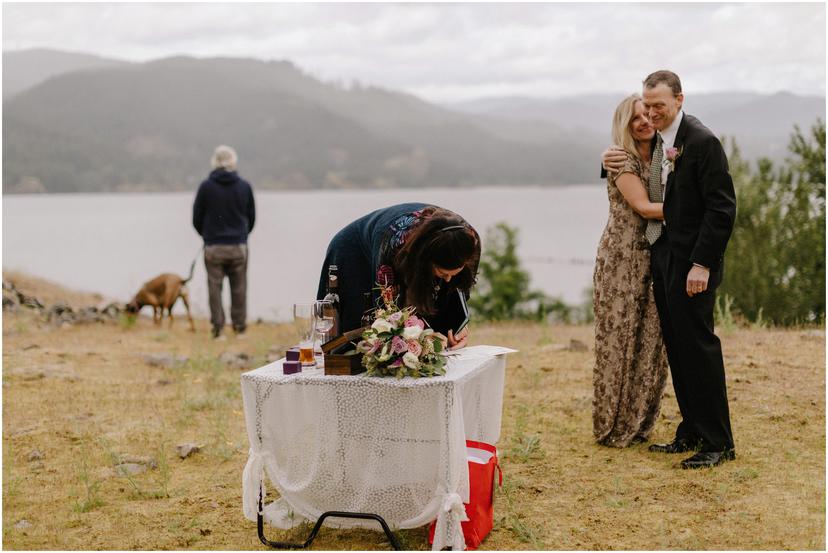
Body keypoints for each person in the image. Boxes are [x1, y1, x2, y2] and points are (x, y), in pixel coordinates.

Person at [602, 70, 737, 469]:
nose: (653, 113)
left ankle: (718, 442)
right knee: (678, 348)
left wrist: (702, 264)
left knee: (699, 349)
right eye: (648, 106)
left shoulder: (702, 141)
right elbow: (637, 170)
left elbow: (722, 209)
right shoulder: (662, 138)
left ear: (680, 99)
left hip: (693, 262)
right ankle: (692, 430)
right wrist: (606, 159)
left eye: (659, 105)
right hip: (665, 256)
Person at [593, 94, 669, 448]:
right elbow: (642, 206)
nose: (643, 121)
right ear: (624, 125)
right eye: (634, 117)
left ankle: (639, 422)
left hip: (654, 257)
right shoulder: (619, 159)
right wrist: (693, 211)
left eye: (647, 114)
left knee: (650, 340)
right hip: (622, 260)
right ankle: (613, 425)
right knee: (619, 340)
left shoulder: (662, 155)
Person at [316, 203, 480, 349]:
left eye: (454, 272)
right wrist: (416, 339)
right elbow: (387, 310)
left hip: (418, 250)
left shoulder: (469, 241)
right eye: (443, 273)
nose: (448, 279)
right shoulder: (393, 245)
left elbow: (457, 292)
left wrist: (458, 328)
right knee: (362, 335)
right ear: (426, 262)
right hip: (354, 252)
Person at [192, 145, 256, 340]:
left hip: (213, 247)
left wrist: (207, 236)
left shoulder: (206, 186)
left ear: (215, 161)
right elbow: (251, 218)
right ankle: (239, 328)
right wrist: (242, 236)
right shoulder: (244, 186)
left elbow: (196, 218)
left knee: (214, 289)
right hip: (238, 246)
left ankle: (218, 330)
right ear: (233, 161)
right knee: (239, 288)